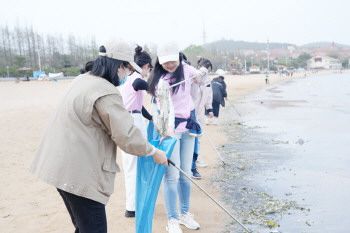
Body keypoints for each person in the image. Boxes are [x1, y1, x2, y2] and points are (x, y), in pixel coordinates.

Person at [30, 42, 168, 233]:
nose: (126, 75)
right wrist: (153, 151)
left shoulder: (83, 79)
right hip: (78, 175)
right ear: (118, 65)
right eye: (127, 69)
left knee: (83, 226)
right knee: (94, 228)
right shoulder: (105, 90)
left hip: (59, 166)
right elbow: (126, 135)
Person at [148, 43, 208, 233]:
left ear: (179, 58)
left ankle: (184, 214)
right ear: (159, 62)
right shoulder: (158, 79)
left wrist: (203, 71)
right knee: (171, 176)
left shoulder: (187, 69)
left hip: (188, 127)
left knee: (185, 174)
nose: (170, 65)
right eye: (165, 63)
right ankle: (172, 219)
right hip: (170, 130)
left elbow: (199, 79)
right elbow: (161, 110)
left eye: (173, 61)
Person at [119, 45, 153, 218]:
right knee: (133, 164)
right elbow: (143, 84)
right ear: (145, 66)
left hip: (130, 120)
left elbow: (139, 107)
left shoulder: (130, 79)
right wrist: (156, 88)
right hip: (133, 122)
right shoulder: (137, 78)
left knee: (131, 164)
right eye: (149, 68)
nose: (149, 71)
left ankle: (133, 204)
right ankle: (132, 208)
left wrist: (152, 118)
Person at [190, 57, 214, 179]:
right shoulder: (193, 75)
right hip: (189, 111)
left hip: (200, 113)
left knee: (198, 137)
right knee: (191, 137)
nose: (206, 72)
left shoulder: (208, 80)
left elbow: (209, 95)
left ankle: (196, 158)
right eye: (205, 69)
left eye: (208, 69)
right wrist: (200, 73)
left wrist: (209, 109)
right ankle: (191, 162)